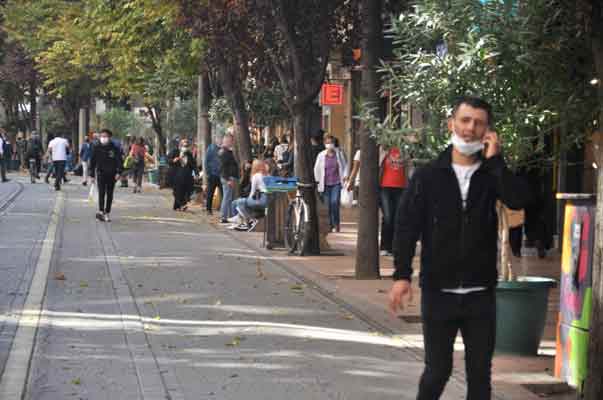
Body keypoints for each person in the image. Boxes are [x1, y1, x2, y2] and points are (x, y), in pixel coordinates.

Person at [388, 97, 531, 400]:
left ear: (487, 131)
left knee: (480, 378)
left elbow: (518, 199)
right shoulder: (428, 176)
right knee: (436, 373)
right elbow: (406, 227)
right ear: (452, 124)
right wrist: (401, 275)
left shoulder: (490, 174)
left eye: (478, 123)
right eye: (465, 120)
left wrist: (496, 162)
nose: (470, 128)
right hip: (438, 291)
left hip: (481, 293)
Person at [314, 135, 348, 232]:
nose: (330, 145)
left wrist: (345, 175)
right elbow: (316, 169)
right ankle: (330, 225)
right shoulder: (321, 155)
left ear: (334, 144)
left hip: (336, 183)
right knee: (328, 205)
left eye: (331, 143)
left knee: (335, 202)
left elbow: (345, 165)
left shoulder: (339, 154)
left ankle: (336, 224)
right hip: (324, 184)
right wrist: (317, 181)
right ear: (325, 144)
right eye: (327, 143)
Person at [379, 146, 408, 256]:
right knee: (388, 217)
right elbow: (378, 165)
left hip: (401, 188)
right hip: (385, 187)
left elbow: (409, 169)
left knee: (398, 218)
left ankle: (393, 247)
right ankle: (384, 246)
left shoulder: (405, 150)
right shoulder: (384, 150)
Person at [90, 129, 123, 222]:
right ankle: (101, 211)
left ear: (109, 137)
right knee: (101, 192)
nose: (103, 138)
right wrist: (92, 175)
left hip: (112, 174)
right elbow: (92, 162)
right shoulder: (96, 147)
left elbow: (119, 161)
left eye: (105, 136)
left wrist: (119, 172)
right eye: (102, 136)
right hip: (100, 173)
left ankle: (107, 212)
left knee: (109, 194)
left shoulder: (114, 148)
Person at [228, 159, 268, 231]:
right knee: (241, 201)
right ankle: (241, 220)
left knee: (240, 202)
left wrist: (247, 199)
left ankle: (248, 220)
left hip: (262, 200)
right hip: (268, 200)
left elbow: (252, 192)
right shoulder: (267, 175)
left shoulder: (256, 176)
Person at [219, 134, 240, 223]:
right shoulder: (224, 152)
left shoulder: (226, 151)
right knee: (227, 197)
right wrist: (228, 179)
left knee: (229, 197)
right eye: (231, 141)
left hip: (228, 177)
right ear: (226, 141)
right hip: (228, 178)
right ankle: (224, 217)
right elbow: (223, 167)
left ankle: (228, 216)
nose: (232, 143)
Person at [172, 140, 196, 211]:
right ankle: (182, 204)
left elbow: (193, 164)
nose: (185, 147)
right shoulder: (175, 152)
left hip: (186, 175)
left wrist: (196, 173)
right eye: (184, 146)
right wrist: (174, 160)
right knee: (177, 191)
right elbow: (169, 160)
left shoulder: (189, 154)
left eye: (186, 146)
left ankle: (177, 206)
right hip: (176, 174)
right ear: (180, 146)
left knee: (183, 191)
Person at [204, 138, 223, 215]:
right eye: (219, 140)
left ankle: (222, 209)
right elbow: (206, 161)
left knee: (223, 193)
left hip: (221, 175)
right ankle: (208, 209)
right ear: (216, 140)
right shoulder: (210, 148)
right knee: (210, 192)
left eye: (221, 140)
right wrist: (208, 173)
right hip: (212, 174)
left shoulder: (223, 149)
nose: (220, 141)